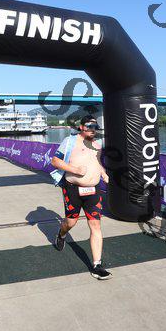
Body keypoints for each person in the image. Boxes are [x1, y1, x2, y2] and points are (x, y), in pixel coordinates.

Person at [50, 115, 111, 280]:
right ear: (82, 127)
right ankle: (61, 234)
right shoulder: (70, 142)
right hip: (73, 190)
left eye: (95, 127)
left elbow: (97, 163)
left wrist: (104, 174)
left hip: (93, 191)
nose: (93, 129)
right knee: (71, 222)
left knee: (95, 225)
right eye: (90, 126)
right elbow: (55, 161)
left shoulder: (97, 145)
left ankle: (97, 265)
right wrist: (75, 170)